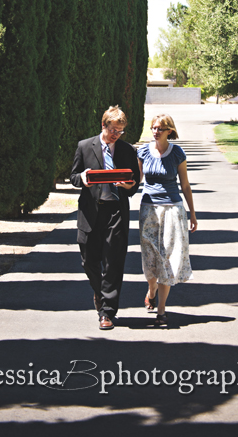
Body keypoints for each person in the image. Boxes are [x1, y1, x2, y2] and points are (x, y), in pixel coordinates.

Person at [70, 106, 140, 331]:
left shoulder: (127, 150)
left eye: (120, 132)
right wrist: (82, 178)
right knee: (89, 260)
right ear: (103, 125)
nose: (116, 135)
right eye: (113, 131)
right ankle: (100, 295)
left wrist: (128, 185)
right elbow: (73, 176)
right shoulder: (84, 146)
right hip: (91, 212)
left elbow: (134, 183)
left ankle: (107, 312)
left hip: (116, 212)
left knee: (113, 262)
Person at [137, 113, 197, 326]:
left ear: (169, 130)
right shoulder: (143, 151)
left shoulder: (177, 153)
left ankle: (161, 310)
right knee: (150, 256)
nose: (155, 132)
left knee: (168, 257)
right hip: (148, 209)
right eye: (153, 128)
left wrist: (193, 213)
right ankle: (151, 289)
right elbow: (136, 180)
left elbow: (186, 185)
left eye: (160, 129)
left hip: (173, 208)